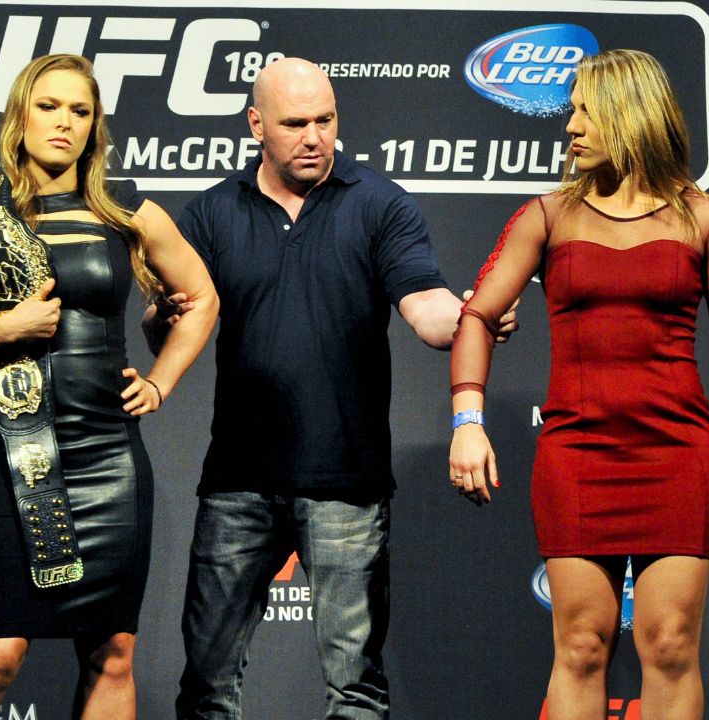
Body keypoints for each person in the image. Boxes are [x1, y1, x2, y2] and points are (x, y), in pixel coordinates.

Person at [153, 57, 513, 720]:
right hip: (237, 480)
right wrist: (161, 316)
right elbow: (172, 323)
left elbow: (425, 305)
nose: (314, 136)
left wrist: (471, 317)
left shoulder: (379, 204)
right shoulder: (210, 214)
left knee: (356, 691)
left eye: (326, 119)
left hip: (348, 483)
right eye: (295, 124)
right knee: (206, 688)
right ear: (256, 123)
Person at [0, 54, 217, 720]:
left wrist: (160, 382)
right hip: (16, 453)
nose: (64, 122)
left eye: (80, 110)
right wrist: (7, 324)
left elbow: (202, 294)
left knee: (113, 653)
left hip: (108, 453)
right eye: (49, 106)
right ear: (19, 116)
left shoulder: (126, 212)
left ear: (94, 125)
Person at [448, 49, 709, 719]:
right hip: (578, 455)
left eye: (585, 113)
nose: (570, 129)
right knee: (581, 648)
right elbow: (476, 315)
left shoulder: (705, 220)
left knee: (672, 646)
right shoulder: (548, 216)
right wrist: (467, 422)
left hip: (678, 455)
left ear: (629, 115)